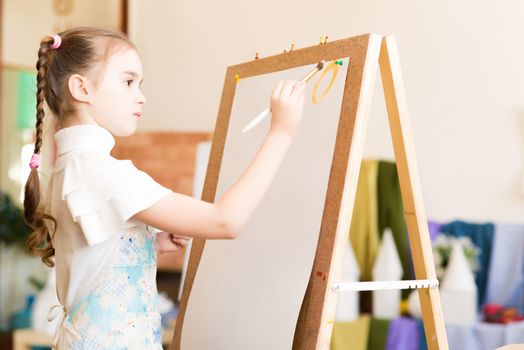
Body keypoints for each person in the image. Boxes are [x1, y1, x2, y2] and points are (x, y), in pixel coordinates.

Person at [23, 27, 305, 349]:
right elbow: (226, 220)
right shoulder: (105, 172)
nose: (140, 96)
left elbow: (91, 255)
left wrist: (147, 245)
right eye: (128, 82)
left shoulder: (73, 166)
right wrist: (282, 132)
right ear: (82, 88)